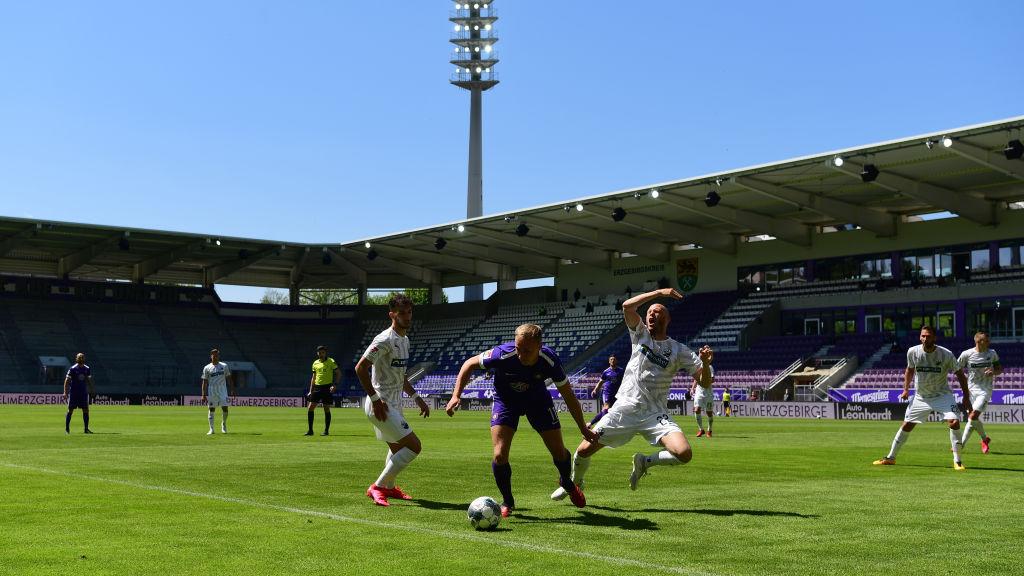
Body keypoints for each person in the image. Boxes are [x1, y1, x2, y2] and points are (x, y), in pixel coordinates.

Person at [551, 288, 713, 503]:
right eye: (649, 313)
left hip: (655, 414)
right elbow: (627, 306)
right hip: (625, 409)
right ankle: (575, 483)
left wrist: (705, 364)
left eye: (657, 312)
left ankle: (645, 461)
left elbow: (704, 381)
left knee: (684, 453)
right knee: (583, 451)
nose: (651, 314)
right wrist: (659, 293)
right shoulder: (640, 334)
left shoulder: (678, 349)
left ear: (668, 318)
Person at [446, 323, 599, 517]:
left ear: (539, 346)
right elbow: (469, 364)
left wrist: (582, 428)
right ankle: (508, 501)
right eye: (518, 349)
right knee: (500, 455)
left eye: (527, 351)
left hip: (537, 401)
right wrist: (456, 395)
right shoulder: (502, 354)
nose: (521, 355)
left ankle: (567, 482)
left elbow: (569, 396)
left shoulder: (549, 360)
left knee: (559, 452)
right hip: (506, 401)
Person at [356, 293, 430, 507]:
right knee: (414, 446)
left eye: (410, 313)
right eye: (402, 314)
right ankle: (378, 487)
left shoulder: (405, 340)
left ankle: (389, 487)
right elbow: (360, 368)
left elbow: (401, 375)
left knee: (398, 449)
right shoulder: (384, 339)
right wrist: (375, 398)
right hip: (381, 405)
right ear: (392, 315)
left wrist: (417, 398)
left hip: (394, 404)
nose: (408, 317)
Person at [873, 325, 971, 470]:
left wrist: (966, 396)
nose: (925, 339)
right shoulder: (913, 352)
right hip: (921, 396)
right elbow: (909, 370)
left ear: (934, 338)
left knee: (954, 422)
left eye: (928, 336)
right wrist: (905, 389)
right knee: (907, 425)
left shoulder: (946, 354)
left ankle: (957, 461)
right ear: (920, 337)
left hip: (942, 395)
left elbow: (960, 375)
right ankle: (890, 458)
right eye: (923, 336)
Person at [958, 331, 1002, 453]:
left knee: (973, 416)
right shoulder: (966, 354)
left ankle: (961, 445)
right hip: (971, 391)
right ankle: (984, 439)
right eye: (986, 340)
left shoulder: (992, 353)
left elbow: (999, 369)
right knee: (972, 420)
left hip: (985, 390)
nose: (989, 342)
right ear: (978, 341)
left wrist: (993, 372)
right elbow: (957, 368)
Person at [305, 345, 340, 436]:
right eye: (319, 353)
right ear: (317, 353)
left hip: (327, 388)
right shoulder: (315, 363)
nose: (321, 354)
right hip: (317, 387)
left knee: (326, 408)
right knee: (310, 408)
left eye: (323, 352)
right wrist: (310, 390)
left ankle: (326, 431)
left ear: (325, 353)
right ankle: (310, 431)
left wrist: (334, 385)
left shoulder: (331, 361)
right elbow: (313, 377)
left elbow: (338, 373)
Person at [201, 349, 235, 435]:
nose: (215, 356)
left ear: (218, 356)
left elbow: (229, 379)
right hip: (212, 390)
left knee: (225, 408)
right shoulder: (207, 368)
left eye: (217, 355)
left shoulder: (224, 366)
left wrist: (232, 390)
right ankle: (211, 429)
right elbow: (204, 382)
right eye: (213, 355)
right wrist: (203, 394)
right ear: (211, 356)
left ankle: (223, 424)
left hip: (223, 390)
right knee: (211, 409)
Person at [62, 352, 95, 434]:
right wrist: (65, 392)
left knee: (86, 410)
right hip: (74, 393)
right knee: (70, 410)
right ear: (76, 359)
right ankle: (67, 429)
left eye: (82, 357)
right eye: (79, 357)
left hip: (83, 393)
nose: (81, 358)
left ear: (84, 359)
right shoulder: (72, 369)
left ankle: (86, 429)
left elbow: (89, 380)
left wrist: (92, 389)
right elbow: (66, 381)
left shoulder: (87, 368)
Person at [588, 355, 624, 428]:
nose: (612, 361)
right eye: (611, 359)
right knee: (606, 408)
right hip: (607, 392)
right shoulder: (606, 372)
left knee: (610, 411)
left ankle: (590, 423)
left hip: (617, 394)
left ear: (616, 361)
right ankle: (603, 426)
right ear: (609, 361)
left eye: (614, 359)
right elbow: (601, 382)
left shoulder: (621, 371)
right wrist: (595, 390)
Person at [690, 367, 715, 437]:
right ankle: (701, 429)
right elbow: (695, 379)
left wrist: (704, 381)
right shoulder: (697, 367)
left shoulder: (709, 367)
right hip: (699, 393)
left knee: (709, 413)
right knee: (697, 409)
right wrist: (692, 389)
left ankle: (709, 430)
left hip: (708, 393)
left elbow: (713, 380)